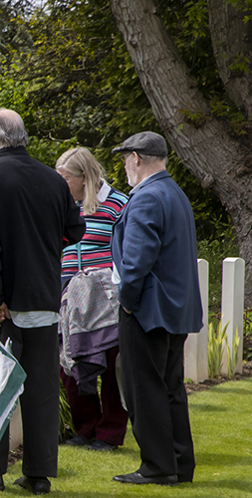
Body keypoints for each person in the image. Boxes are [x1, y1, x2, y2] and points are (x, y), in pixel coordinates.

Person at [0, 108, 85, 495]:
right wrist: (42, 256)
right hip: (43, 298)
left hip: (0, 304)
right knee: (42, 388)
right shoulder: (52, 179)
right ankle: (39, 474)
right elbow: (75, 230)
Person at [110, 131, 201, 486]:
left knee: (143, 389)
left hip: (147, 309)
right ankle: (179, 463)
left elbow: (135, 263)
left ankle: (157, 466)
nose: (124, 167)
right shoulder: (175, 192)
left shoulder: (147, 197)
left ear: (136, 158)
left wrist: (127, 303)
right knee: (170, 388)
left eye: (125, 159)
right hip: (174, 309)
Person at [55, 147, 129, 452]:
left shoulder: (117, 204)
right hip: (69, 294)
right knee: (70, 363)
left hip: (104, 297)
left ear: (84, 177)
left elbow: (126, 247)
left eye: (65, 178)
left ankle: (109, 433)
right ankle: (85, 426)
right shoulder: (63, 205)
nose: (60, 184)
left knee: (110, 363)